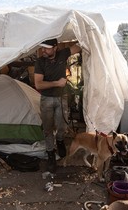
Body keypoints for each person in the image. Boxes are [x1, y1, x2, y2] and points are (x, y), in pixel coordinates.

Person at [34, 38, 81, 172]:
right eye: (43, 48)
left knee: (62, 125)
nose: (44, 50)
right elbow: (38, 84)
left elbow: (79, 46)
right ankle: (50, 155)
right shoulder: (40, 61)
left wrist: (85, 32)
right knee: (48, 128)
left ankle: (60, 140)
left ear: (55, 48)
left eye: (47, 48)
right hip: (46, 99)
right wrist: (57, 83)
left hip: (62, 98)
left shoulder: (63, 54)